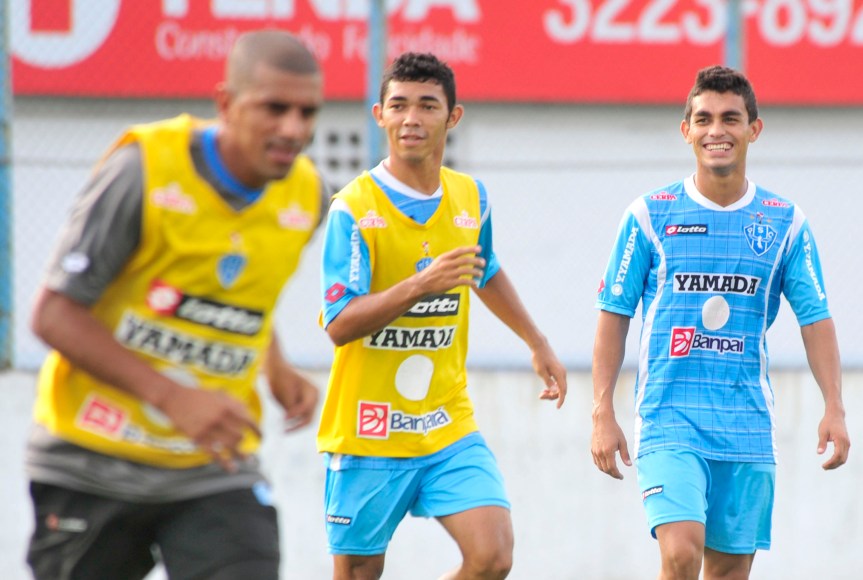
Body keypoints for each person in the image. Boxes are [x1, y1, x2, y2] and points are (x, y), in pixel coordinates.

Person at [25, 29, 327, 580]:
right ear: (226, 103)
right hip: (92, 460)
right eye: (274, 108)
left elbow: (237, 293)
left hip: (213, 467)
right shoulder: (144, 170)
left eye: (307, 113)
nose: (294, 129)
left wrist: (277, 367)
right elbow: (54, 315)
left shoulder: (307, 196)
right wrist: (175, 398)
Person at [590, 65, 850, 579]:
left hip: (746, 424)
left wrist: (835, 407)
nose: (717, 130)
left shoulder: (785, 222)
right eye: (704, 119)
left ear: (754, 129)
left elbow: (815, 318)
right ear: (685, 130)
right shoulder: (649, 215)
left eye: (730, 118)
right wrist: (602, 411)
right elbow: (614, 314)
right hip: (668, 417)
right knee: (681, 552)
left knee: (728, 572)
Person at [316, 52, 568, 580]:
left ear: (452, 117)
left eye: (427, 105)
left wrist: (537, 341)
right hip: (368, 429)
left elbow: (484, 268)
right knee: (358, 572)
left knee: (493, 556)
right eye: (399, 105)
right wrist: (419, 286)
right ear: (379, 115)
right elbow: (339, 323)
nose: (411, 118)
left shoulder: (470, 197)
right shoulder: (353, 209)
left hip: (445, 422)